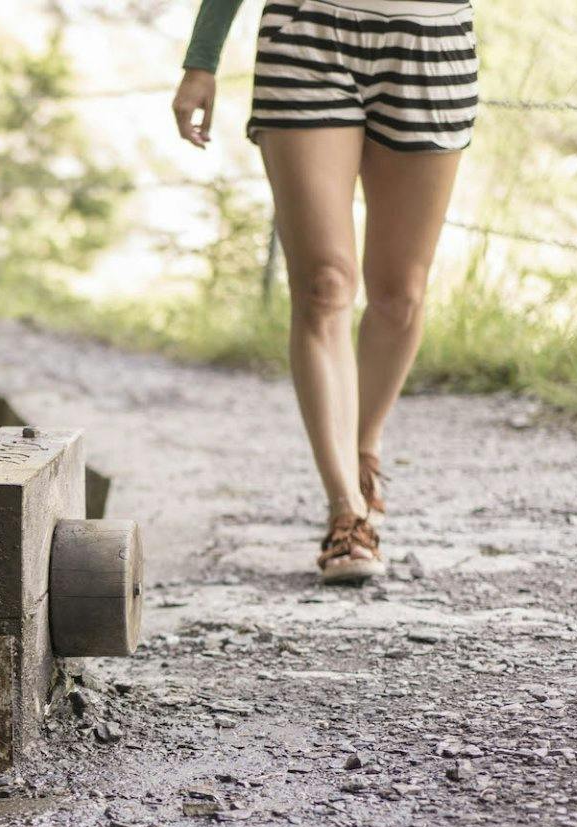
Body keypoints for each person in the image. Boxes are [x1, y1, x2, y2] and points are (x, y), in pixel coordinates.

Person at [171, 0, 477, 584]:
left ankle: (362, 446)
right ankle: (347, 512)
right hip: (307, 35)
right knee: (324, 286)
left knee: (401, 293)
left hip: (431, 42)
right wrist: (201, 61)